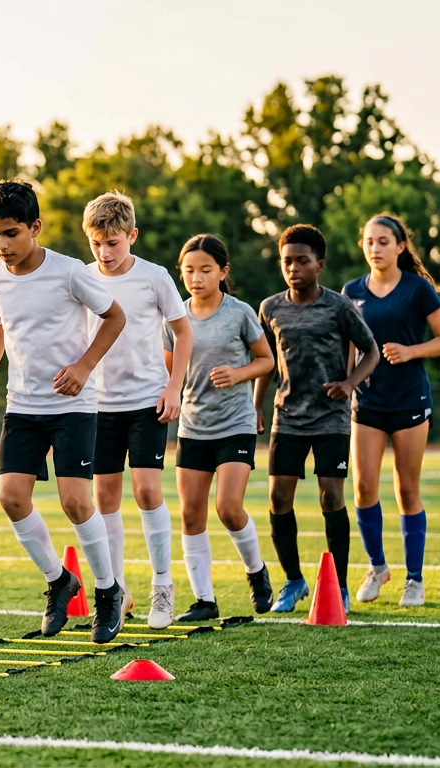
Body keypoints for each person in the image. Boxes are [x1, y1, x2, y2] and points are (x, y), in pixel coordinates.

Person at [0, 181, 127, 642]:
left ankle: (108, 590)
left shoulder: (69, 272)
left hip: (74, 405)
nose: (1, 244)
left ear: (35, 227)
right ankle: (59, 581)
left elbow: (115, 317)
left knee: (76, 502)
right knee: (11, 498)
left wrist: (84, 366)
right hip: (23, 405)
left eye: (11, 233)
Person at [255, 224, 379, 613]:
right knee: (278, 498)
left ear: (319, 265)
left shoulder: (339, 307)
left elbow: (371, 350)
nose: (293, 268)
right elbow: (266, 360)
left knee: (331, 496)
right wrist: (256, 405)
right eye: (287, 261)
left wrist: (350, 383)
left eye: (302, 261)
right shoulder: (270, 308)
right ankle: (294, 581)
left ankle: (338, 587)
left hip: (331, 417)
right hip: (287, 416)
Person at [83, 191, 193, 630]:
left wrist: (174, 387)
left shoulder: (155, 277)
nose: (105, 252)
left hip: (148, 401)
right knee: (104, 499)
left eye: (113, 243)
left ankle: (163, 586)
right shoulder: (82, 277)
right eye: (96, 243)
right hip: (97, 406)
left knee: (147, 491)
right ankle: (117, 591)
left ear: (132, 236)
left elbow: (183, 333)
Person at [343, 214, 440, 609]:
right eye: (369, 241)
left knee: (407, 490)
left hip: (409, 399)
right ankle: (377, 567)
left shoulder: (418, 288)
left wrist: (410, 351)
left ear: (400, 246)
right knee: (363, 488)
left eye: (383, 241)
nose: (375, 248)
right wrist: (346, 384)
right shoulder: (352, 290)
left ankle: (414, 579)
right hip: (367, 402)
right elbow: (349, 348)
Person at [163, 235, 276, 620]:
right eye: (189, 270)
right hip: (193, 427)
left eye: (205, 270)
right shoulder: (175, 316)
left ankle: (256, 572)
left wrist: (238, 373)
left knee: (228, 507)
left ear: (223, 272)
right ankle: (204, 601)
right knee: (191, 515)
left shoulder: (239, 313)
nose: (196, 278)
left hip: (235, 425)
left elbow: (267, 360)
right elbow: (167, 368)